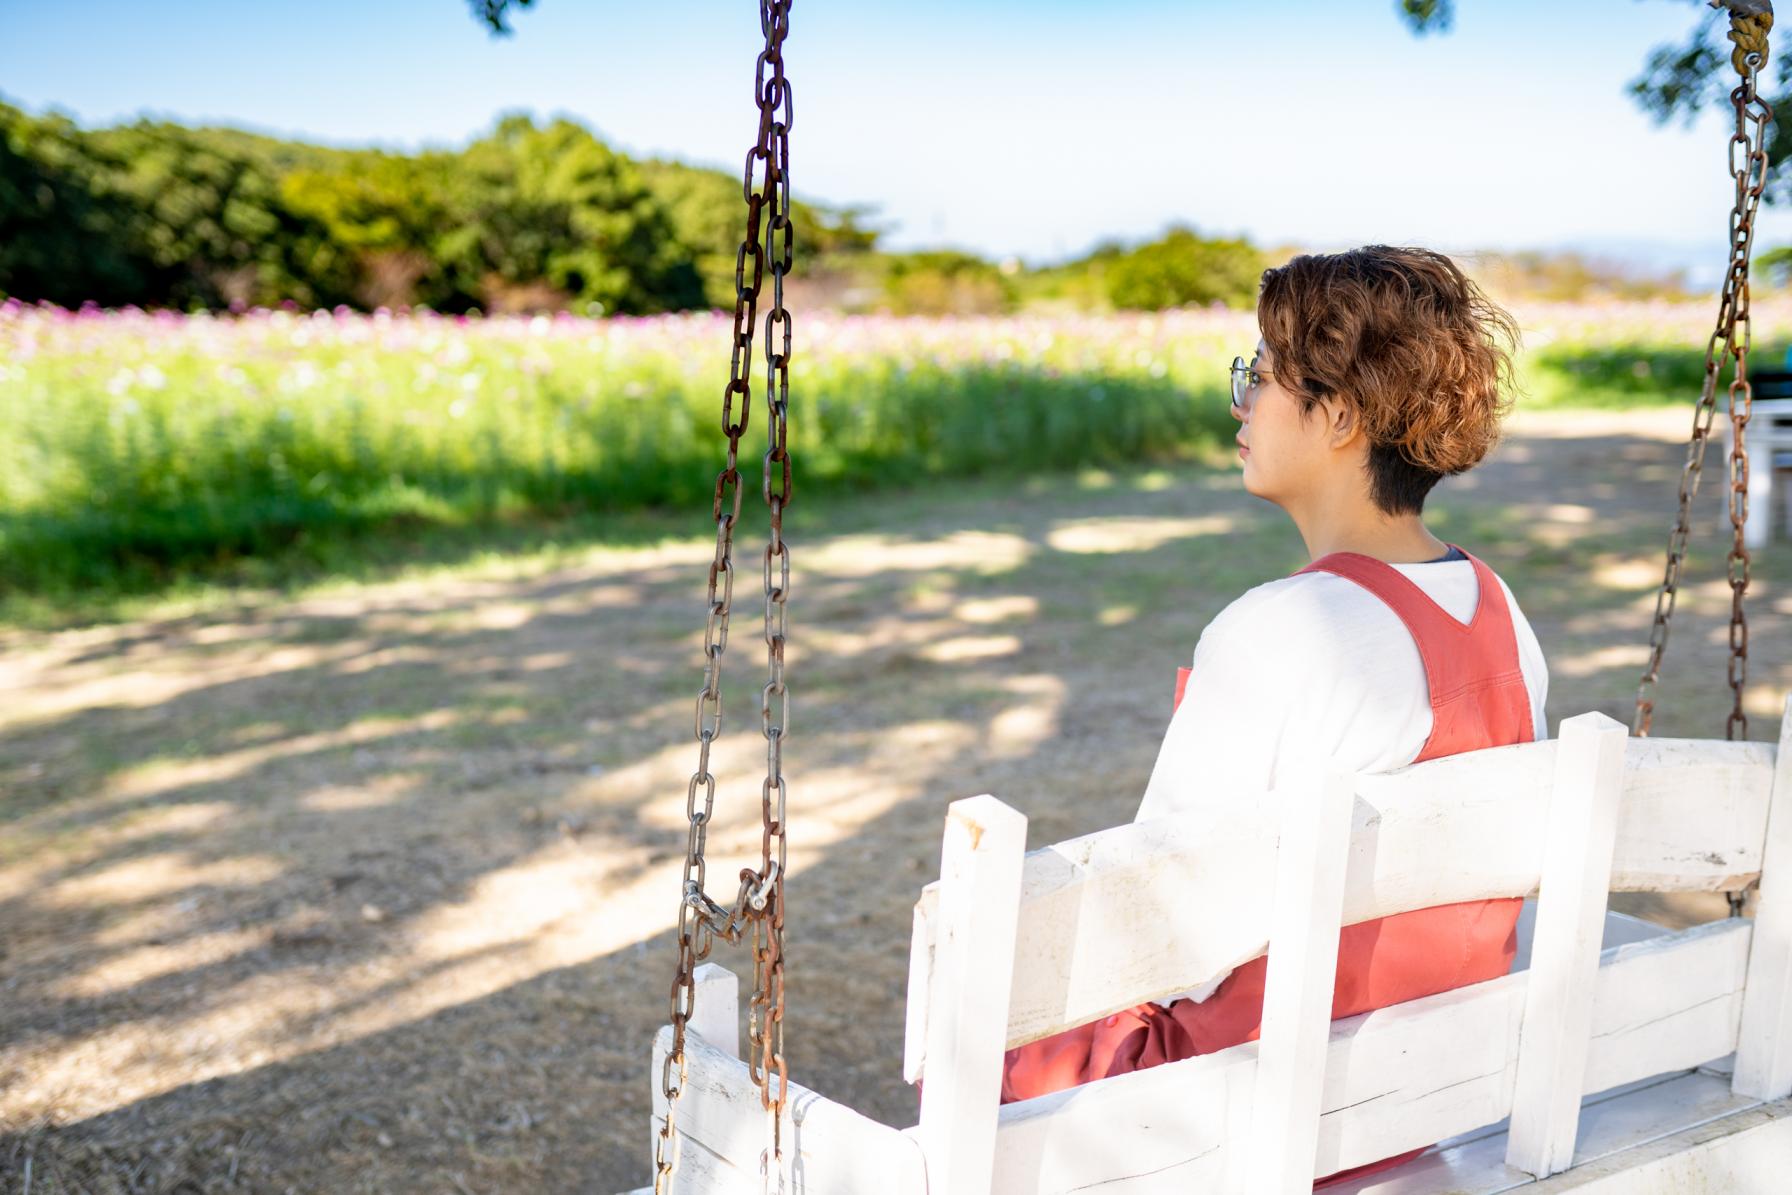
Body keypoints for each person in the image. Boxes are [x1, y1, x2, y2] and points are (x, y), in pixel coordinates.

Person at [998, 245, 1549, 1187]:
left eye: (1258, 376)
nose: (1241, 404)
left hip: (1270, 1095)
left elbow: (1158, 925)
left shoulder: (1282, 628)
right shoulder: (1503, 611)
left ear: (1337, 415)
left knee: (1000, 1040)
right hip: (1430, 1079)